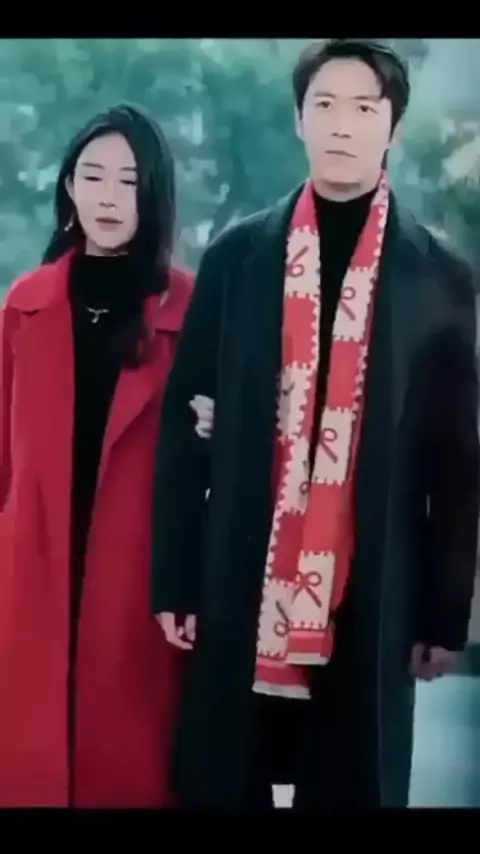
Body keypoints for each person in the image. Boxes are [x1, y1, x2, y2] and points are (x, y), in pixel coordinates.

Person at [151, 40, 480, 809]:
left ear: (393, 127)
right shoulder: (237, 258)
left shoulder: (438, 276)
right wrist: (176, 579)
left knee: (351, 785)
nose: (342, 124)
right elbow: (184, 429)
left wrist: (442, 612)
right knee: (224, 782)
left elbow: (457, 461)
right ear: (299, 119)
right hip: (243, 579)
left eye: (364, 108)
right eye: (324, 105)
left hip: (372, 590)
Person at [0, 104, 193, 807]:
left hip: (139, 581)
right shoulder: (26, 305)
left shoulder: (185, 309)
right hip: (32, 571)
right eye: (93, 176)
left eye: (129, 180)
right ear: (68, 188)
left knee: (129, 764)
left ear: (154, 193)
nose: (109, 196)